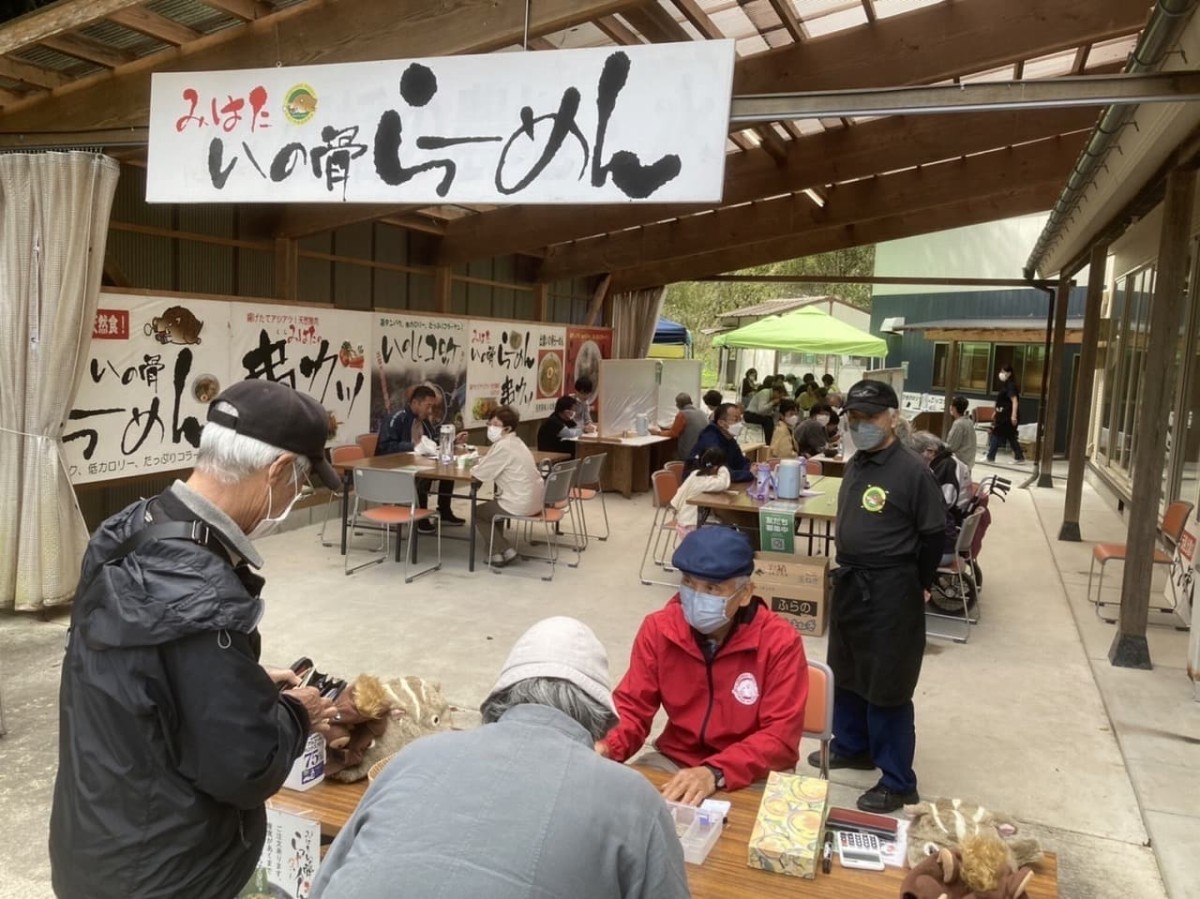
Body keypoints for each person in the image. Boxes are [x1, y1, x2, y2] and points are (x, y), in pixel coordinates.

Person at [50, 380, 340, 899]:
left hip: (92, 843)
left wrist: (240, 680)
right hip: (171, 875)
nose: (296, 498)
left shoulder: (124, 530)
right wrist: (295, 713)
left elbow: (147, 676)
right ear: (276, 473)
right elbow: (244, 769)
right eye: (300, 483)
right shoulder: (206, 593)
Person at [313, 617, 690, 899]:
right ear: (600, 720)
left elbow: (326, 880)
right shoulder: (633, 798)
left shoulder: (417, 754)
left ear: (498, 700)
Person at [808, 379, 945, 813]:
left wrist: (918, 582)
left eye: (869, 418)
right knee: (847, 670)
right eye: (854, 418)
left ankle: (898, 779)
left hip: (890, 588)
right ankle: (854, 745)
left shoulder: (911, 470)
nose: (860, 425)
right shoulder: (859, 461)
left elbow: (933, 535)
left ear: (892, 417)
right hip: (852, 582)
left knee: (887, 682)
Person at [599, 527, 809, 804]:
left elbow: (780, 737)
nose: (697, 597)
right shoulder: (660, 629)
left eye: (712, 588)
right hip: (676, 760)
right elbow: (632, 707)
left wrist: (716, 771)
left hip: (752, 769)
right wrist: (605, 747)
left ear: (745, 593)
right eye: (688, 583)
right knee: (623, 813)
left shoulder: (779, 642)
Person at [376, 385, 467, 529]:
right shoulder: (396, 418)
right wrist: (413, 447)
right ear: (415, 403)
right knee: (424, 477)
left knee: (447, 470)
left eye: (432, 406)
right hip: (395, 467)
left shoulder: (424, 420)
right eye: (428, 406)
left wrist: (451, 441)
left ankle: (444, 510)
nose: (430, 410)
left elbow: (431, 441)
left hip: (417, 462)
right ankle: (421, 517)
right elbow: (386, 447)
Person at [472, 405, 544, 567]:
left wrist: (473, 466)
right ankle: (496, 554)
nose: (491, 428)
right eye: (490, 424)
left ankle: (506, 548)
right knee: (492, 511)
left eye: (496, 425)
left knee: (479, 512)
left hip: (520, 502)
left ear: (508, 428)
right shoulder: (517, 442)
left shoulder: (503, 446)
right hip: (535, 500)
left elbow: (480, 473)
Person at [670, 447, 731, 537]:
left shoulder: (695, 474)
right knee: (727, 528)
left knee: (719, 521)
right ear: (715, 467)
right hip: (692, 526)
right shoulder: (705, 482)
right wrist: (723, 468)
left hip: (683, 521)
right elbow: (723, 483)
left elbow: (678, 496)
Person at [688, 403, 754, 482]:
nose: (740, 423)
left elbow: (740, 462)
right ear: (721, 423)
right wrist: (750, 473)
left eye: (741, 419)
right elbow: (720, 473)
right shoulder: (711, 442)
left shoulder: (729, 438)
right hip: (699, 486)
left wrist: (752, 467)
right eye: (736, 420)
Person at [651, 391, 711, 462]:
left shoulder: (682, 414)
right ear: (691, 402)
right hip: (704, 451)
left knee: (671, 455)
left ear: (678, 405)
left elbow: (673, 433)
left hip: (689, 453)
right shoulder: (702, 412)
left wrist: (657, 433)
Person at [987, 364, 1024, 462]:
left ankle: (990, 456)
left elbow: (1014, 401)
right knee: (1010, 435)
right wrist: (995, 412)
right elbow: (1001, 401)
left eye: (1004, 372)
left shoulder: (1011, 386)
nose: (1001, 374)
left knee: (996, 433)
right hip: (1002, 414)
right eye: (1001, 371)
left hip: (1007, 416)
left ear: (1009, 373)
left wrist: (1013, 416)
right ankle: (1019, 456)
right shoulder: (1005, 385)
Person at [745, 377, 786, 444]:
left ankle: (774, 441)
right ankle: (768, 443)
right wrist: (772, 403)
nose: (779, 398)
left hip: (759, 415)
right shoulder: (765, 393)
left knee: (771, 419)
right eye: (779, 396)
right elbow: (761, 410)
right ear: (776, 392)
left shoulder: (772, 397)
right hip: (750, 414)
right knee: (768, 421)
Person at [944, 395, 978, 471]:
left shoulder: (959, 424)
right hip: (969, 461)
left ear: (953, 408)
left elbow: (951, 447)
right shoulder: (969, 421)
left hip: (960, 461)